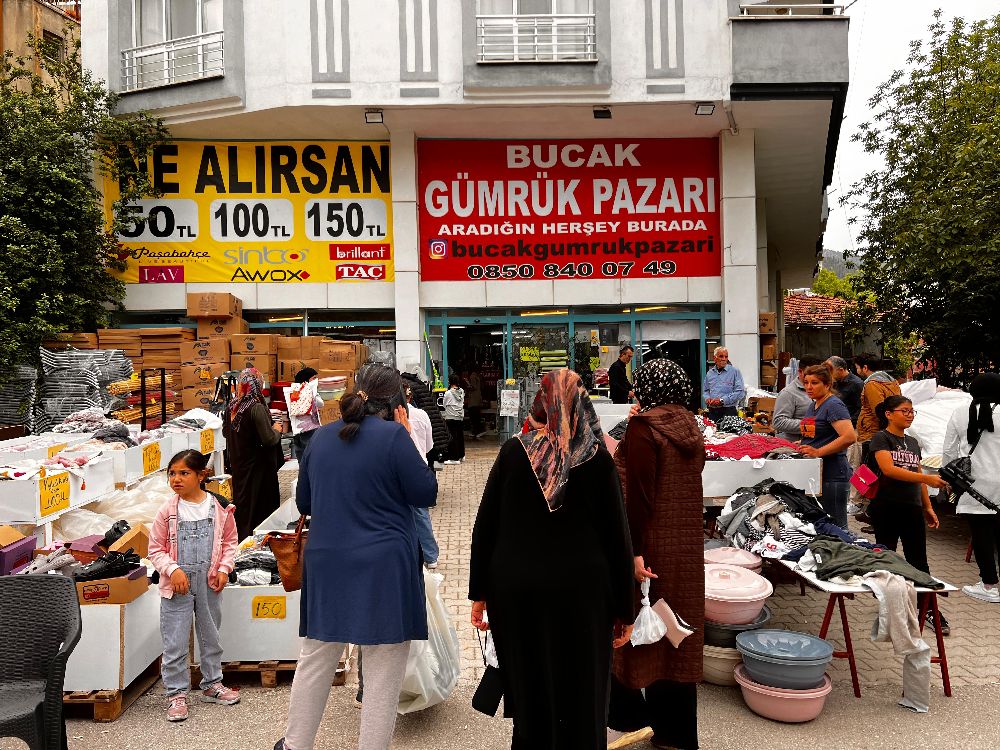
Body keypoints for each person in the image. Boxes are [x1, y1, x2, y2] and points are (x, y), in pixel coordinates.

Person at [469, 369, 635, 750]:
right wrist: (625, 607)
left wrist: (480, 591)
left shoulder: (515, 452)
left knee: (531, 690)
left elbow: (486, 525)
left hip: (520, 593)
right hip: (583, 596)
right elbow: (617, 537)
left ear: (541, 403)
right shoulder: (597, 459)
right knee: (584, 689)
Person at [275, 365, 438, 750]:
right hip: (384, 567)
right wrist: (410, 437)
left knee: (315, 657)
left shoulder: (320, 438)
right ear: (396, 399)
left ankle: (295, 744)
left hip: (328, 562)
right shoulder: (396, 438)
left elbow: (305, 502)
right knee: (382, 667)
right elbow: (424, 492)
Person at [607, 358, 705, 750]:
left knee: (640, 632)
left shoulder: (644, 429)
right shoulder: (688, 424)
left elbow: (640, 496)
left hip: (653, 548)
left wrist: (634, 553)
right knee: (676, 637)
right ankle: (676, 735)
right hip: (686, 550)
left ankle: (629, 718)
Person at [149, 449, 240, 722]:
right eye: (172, 474)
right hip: (177, 585)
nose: (176, 479)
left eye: (184, 473)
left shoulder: (221, 508)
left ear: (202, 475)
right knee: (175, 641)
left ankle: (212, 684)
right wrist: (173, 569)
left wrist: (224, 568)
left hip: (210, 581)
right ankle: (176, 694)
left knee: (210, 636)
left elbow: (229, 542)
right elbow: (155, 548)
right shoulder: (167, 511)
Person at [868, 395, 952, 634]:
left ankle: (927, 610)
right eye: (904, 410)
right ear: (889, 413)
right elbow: (888, 469)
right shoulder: (881, 438)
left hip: (911, 508)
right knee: (886, 558)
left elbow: (917, 477)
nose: (909, 415)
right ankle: (888, 606)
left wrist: (927, 507)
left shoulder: (913, 443)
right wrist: (926, 477)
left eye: (912, 411)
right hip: (886, 507)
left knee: (919, 561)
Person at [944, 373, 1000, 604]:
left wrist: (948, 481)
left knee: (981, 535)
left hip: (974, 484)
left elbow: (948, 450)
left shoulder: (959, 412)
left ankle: (989, 585)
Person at [224, 368, 283, 539]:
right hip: (258, 468)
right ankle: (260, 540)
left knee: (244, 504)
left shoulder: (232, 406)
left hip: (239, 464)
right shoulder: (255, 407)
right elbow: (269, 439)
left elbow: (226, 433)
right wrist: (277, 429)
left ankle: (242, 538)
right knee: (261, 505)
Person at [797, 364, 857, 528]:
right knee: (822, 525)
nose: (809, 387)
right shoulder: (814, 404)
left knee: (836, 527)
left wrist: (818, 451)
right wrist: (803, 443)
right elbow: (820, 434)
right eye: (806, 382)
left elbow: (850, 436)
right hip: (818, 475)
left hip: (833, 475)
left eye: (815, 383)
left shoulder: (833, 405)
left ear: (827, 385)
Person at [406, 385, 439, 569]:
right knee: (420, 512)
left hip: (399, 470)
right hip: (419, 466)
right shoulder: (422, 415)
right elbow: (429, 446)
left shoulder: (388, 419)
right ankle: (430, 555)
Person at [855, 353, 902, 463]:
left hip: (872, 433)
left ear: (865, 368)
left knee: (868, 470)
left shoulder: (872, 384)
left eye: (857, 367)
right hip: (887, 432)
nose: (856, 370)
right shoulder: (892, 382)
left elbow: (879, 410)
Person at [772, 354, 822, 442]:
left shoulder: (821, 390)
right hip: (793, 447)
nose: (814, 376)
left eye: (817, 373)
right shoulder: (788, 393)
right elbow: (778, 422)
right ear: (800, 371)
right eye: (809, 373)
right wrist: (810, 425)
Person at [289, 367, 324, 460]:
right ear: (306, 379)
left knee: (301, 457)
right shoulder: (310, 392)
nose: (316, 380)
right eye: (314, 378)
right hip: (310, 428)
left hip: (296, 429)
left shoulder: (293, 392)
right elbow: (320, 403)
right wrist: (315, 393)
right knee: (311, 457)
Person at [703, 346, 745, 422]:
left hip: (729, 411)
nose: (724, 359)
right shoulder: (709, 373)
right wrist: (707, 398)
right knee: (713, 432)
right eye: (721, 356)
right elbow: (706, 390)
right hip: (713, 412)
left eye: (726, 356)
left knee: (731, 434)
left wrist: (722, 400)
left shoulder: (735, 372)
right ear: (714, 358)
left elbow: (740, 392)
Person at [827, 356, 864, 424]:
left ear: (841, 370)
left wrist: (847, 423)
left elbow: (861, 409)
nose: (828, 374)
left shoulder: (856, 384)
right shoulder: (834, 382)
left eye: (830, 370)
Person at [442, 379, 465, 464]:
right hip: (460, 417)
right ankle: (461, 455)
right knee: (460, 436)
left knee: (452, 437)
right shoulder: (462, 391)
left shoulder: (448, 393)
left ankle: (454, 458)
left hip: (451, 417)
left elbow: (444, 404)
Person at [466, 365, 487, 438]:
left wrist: (468, 385)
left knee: (473, 416)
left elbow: (473, 387)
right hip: (478, 399)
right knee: (477, 415)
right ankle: (478, 430)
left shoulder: (472, 376)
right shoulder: (479, 376)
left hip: (473, 400)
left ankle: (476, 431)